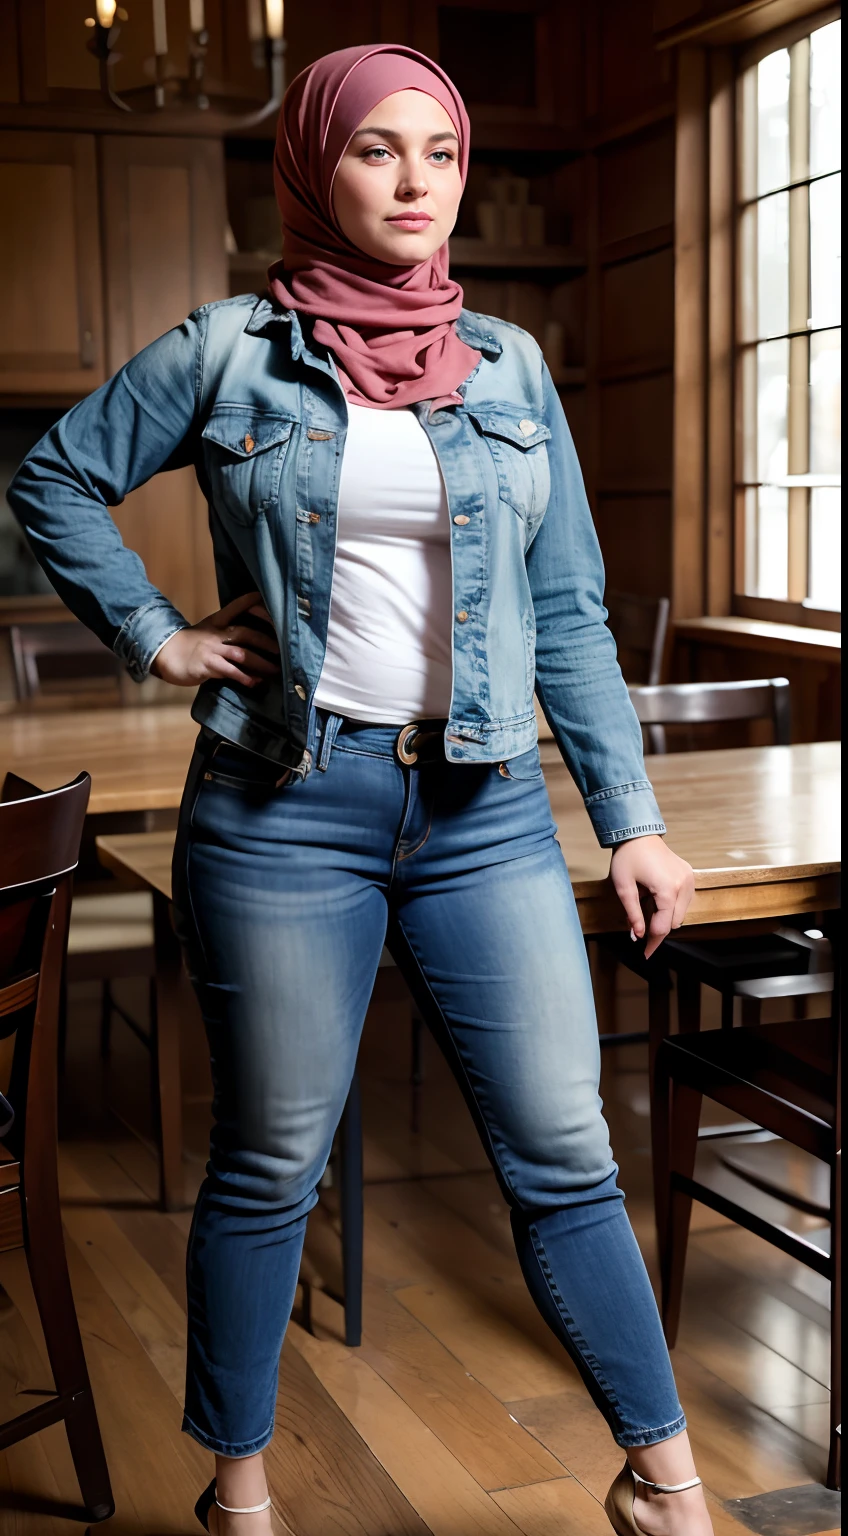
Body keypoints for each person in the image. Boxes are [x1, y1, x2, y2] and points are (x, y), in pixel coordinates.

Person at [8, 43, 715, 1536]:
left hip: (490, 815)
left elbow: (572, 610)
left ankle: (668, 1487)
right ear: (316, 164)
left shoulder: (512, 366)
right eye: (378, 149)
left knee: (567, 1153)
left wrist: (631, 818)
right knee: (273, 1161)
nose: (414, 181)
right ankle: (242, 1495)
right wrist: (160, 636)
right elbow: (54, 477)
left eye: (441, 153)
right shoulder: (225, 349)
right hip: (281, 811)